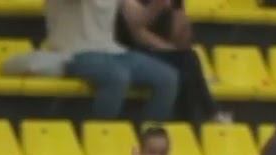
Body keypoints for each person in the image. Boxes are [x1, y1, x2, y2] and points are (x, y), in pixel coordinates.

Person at [42, 0, 179, 121]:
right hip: (72, 52)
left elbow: (137, 19)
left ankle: (150, 134)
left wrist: (156, 5)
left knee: (168, 78)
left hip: (111, 50)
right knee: (116, 76)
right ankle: (102, 134)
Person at [118, 0, 224, 123]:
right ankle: (206, 114)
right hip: (134, 51)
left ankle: (195, 119)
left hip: (164, 50)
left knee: (189, 60)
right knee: (187, 65)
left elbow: (182, 40)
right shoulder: (130, 2)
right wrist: (156, 7)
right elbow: (138, 34)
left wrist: (179, 15)